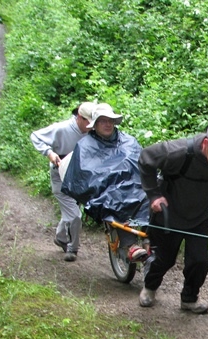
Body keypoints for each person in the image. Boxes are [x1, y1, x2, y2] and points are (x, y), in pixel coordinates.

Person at [138, 121, 208, 314]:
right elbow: (145, 158)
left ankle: (189, 299)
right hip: (169, 213)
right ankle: (150, 288)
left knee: (200, 260)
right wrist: (153, 194)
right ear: (206, 144)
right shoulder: (176, 152)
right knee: (163, 259)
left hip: (199, 214)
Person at [60, 103, 149, 263]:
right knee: (114, 202)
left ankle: (150, 238)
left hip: (134, 186)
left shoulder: (128, 141)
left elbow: (141, 163)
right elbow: (85, 174)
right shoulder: (85, 145)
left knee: (155, 196)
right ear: (95, 125)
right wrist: (108, 178)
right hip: (106, 191)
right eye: (103, 121)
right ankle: (129, 245)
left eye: (110, 120)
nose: (107, 124)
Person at [30, 102, 96, 262]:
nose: (91, 126)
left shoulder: (92, 131)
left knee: (71, 209)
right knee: (75, 215)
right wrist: (49, 153)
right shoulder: (62, 128)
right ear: (79, 117)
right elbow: (36, 136)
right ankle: (72, 248)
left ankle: (60, 237)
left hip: (80, 177)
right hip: (60, 175)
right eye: (88, 122)